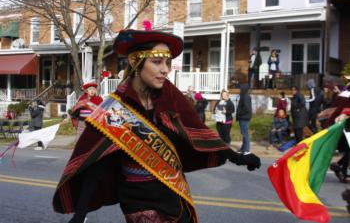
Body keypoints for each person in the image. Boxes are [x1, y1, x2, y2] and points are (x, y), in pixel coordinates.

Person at [53, 29, 261, 223]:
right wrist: (80, 215)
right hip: (139, 200)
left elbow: (199, 134)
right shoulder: (113, 110)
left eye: (168, 63)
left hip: (174, 194)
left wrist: (237, 157)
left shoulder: (170, 98)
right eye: (156, 62)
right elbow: (96, 162)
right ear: (136, 63)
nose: (165, 70)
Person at [236, 83, 252, 154]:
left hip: (244, 118)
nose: (240, 90)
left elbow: (247, 108)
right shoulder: (243, 96)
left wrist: (239, 114)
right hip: (243, 117)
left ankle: (247, 149)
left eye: (241, 88)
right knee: (244, 133)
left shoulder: (246, 96)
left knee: (245, 134)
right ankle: (243, 148)